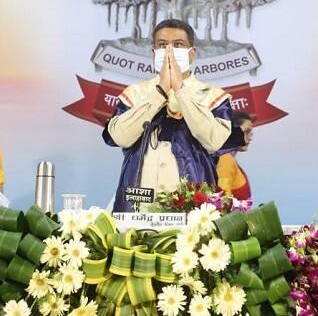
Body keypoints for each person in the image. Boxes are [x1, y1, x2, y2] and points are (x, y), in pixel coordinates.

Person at [104, 19, 241, 212]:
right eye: (162, 45)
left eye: (177, 45)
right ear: (153, 52)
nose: (169, 51)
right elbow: (120, 137)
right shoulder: (135, 93)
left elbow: (215, 141)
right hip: (138, 207)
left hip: (192, 210)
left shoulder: (213, 96)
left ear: (192, 53)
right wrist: (160, 91)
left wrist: (179, 89)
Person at [216, 110, 254, 200]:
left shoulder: (228, 159)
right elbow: (223, 202)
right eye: (246, 132)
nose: (250, 137)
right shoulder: (225, 159)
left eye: (250, 132)